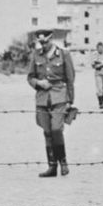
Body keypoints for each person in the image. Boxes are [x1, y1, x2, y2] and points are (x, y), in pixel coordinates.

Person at [26, 28, 75, 177]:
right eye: (40, 42)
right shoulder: (36, 55)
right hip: (42, 99)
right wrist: (39, 83)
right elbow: (30, 77)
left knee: (56, 130)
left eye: (45, 41)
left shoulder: (63, 54)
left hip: (59, 96)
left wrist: (70, 101)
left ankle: (64, 162)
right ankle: (52, 167)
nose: (43, 44)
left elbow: (70, 79)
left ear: (51, 38)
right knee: (47, 132)